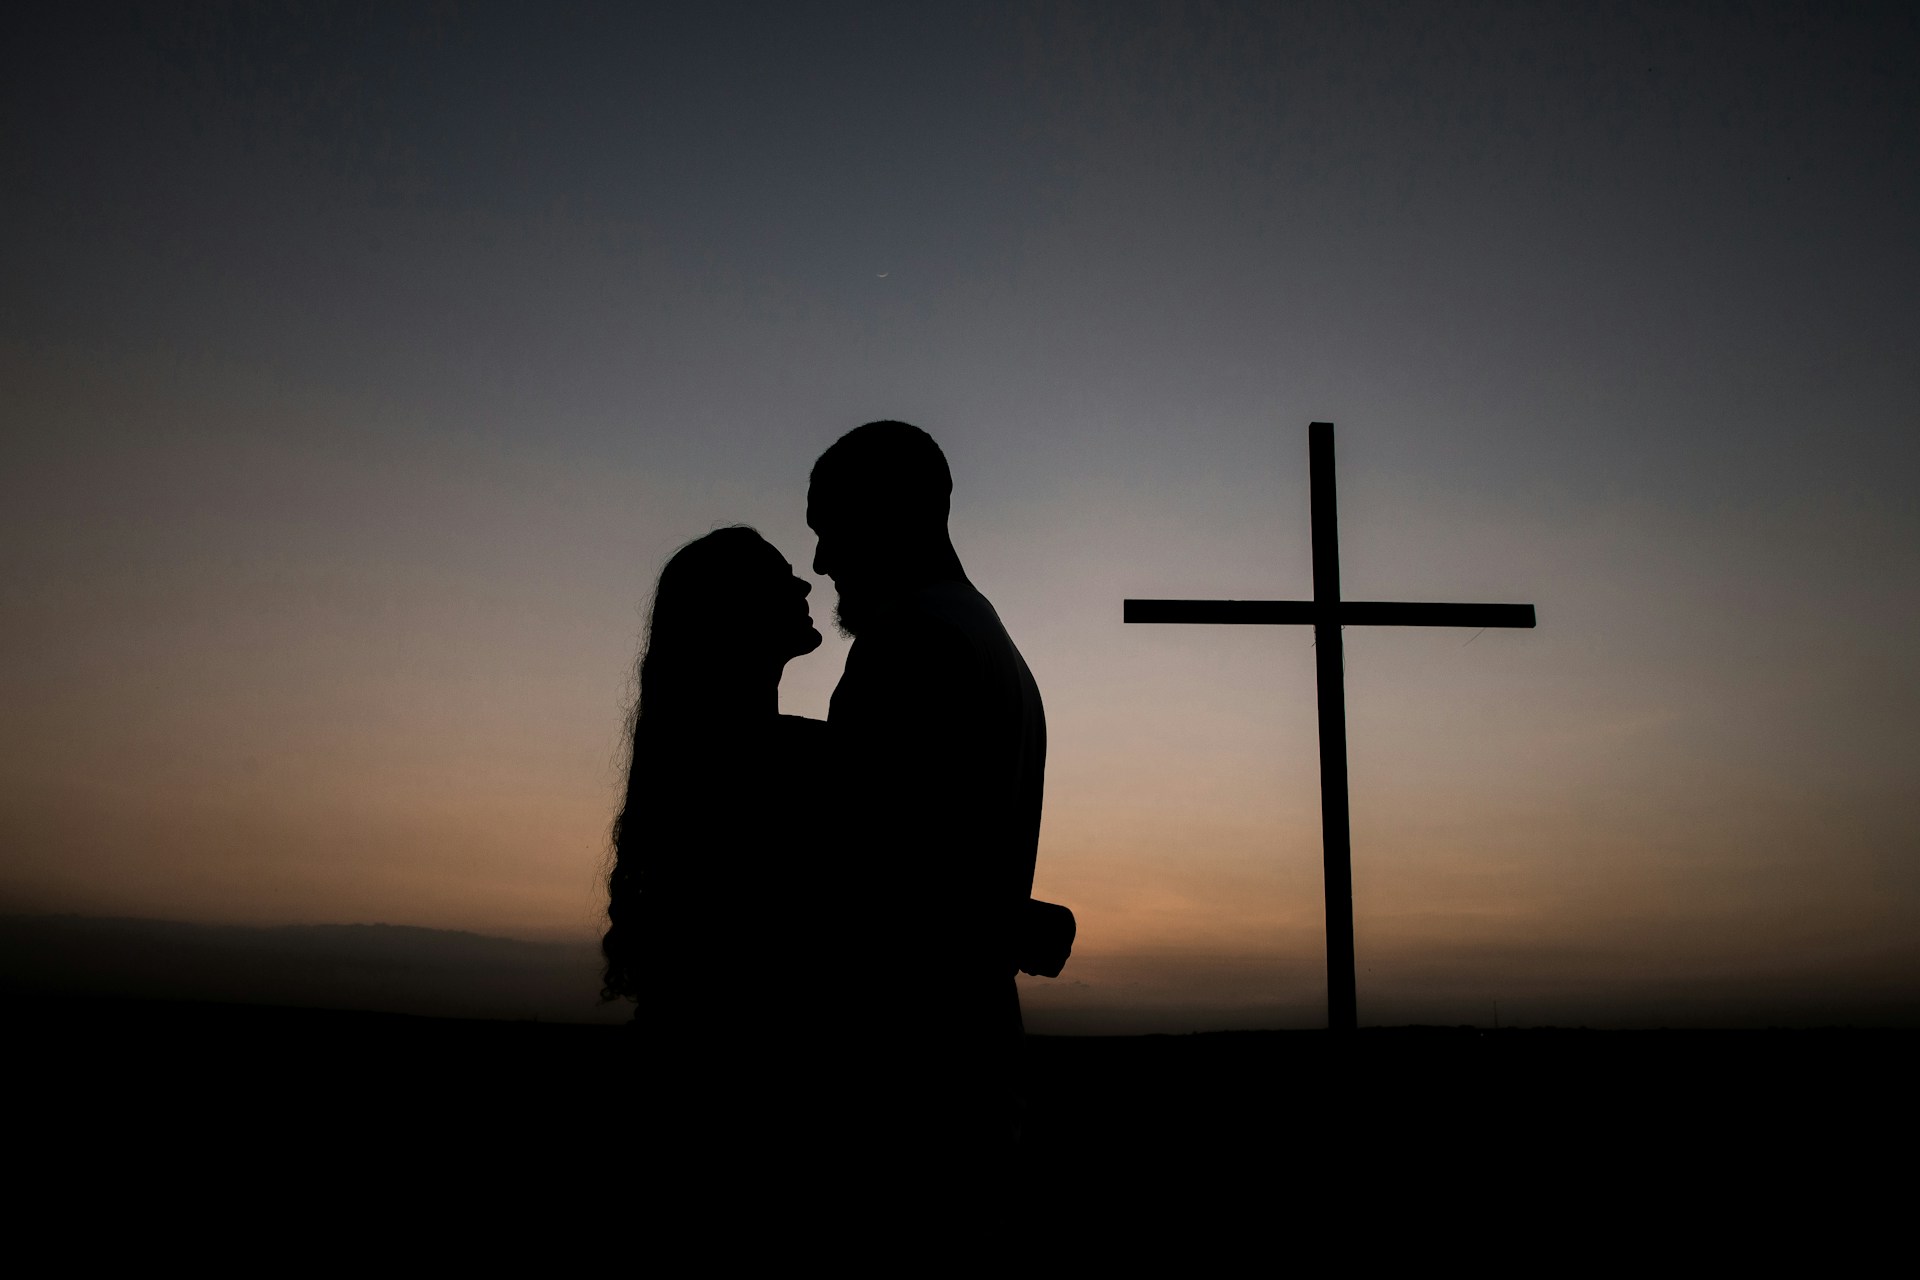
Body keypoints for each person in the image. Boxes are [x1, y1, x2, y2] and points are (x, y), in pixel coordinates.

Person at [807, 420, 1050, 1155]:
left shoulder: (914, 643)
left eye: (832, 529)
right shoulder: (982, 634)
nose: (820, 562)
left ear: (893, 514)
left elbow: (876, 876)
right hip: (968, 1071)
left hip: (910, 1090)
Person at [600, 525, 839, 1149]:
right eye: (778, 576)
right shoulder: (778, 763)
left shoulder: (705, 759)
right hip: (756, 1097)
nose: (804, 581)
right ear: (734, 613)